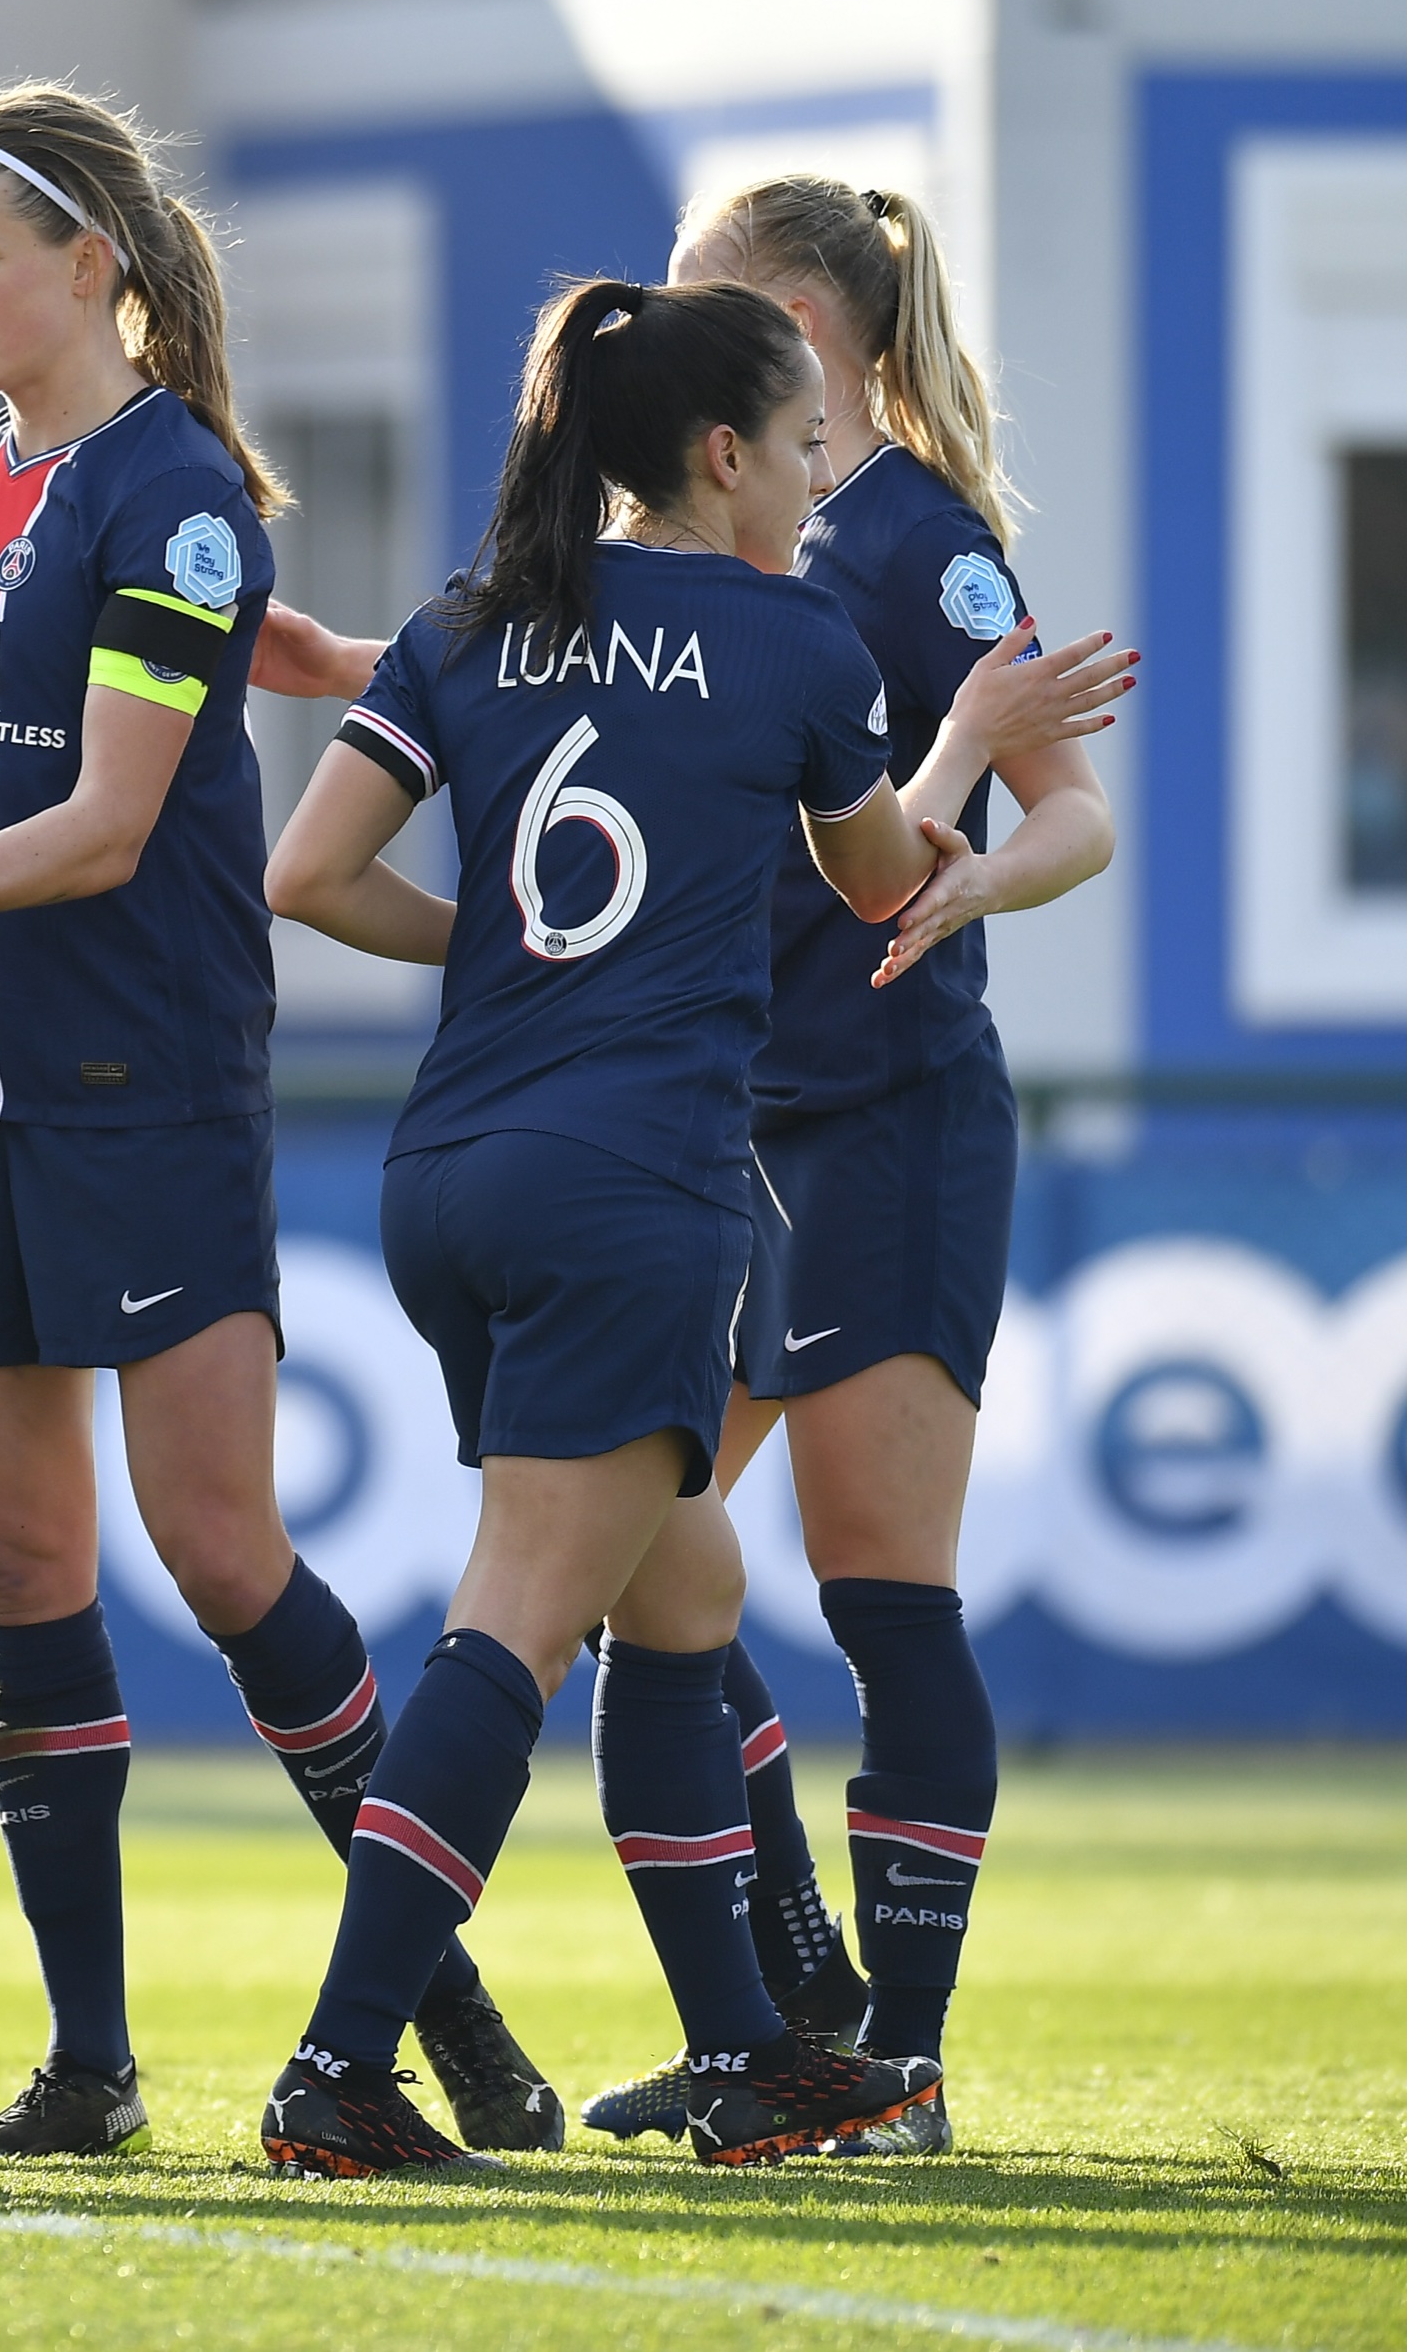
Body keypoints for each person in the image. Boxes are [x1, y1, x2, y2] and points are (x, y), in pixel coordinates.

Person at [0, 83, 563, 2157]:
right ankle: (87, 2068)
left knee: (220, 1548)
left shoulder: (171, 489)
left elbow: (96, 828)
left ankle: (432, 2008)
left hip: (135, 1083)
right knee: (23, 1570)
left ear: (90, 260)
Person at [251, 275, 950, 2173]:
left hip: (449, 1175)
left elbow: (307, 875)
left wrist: (498, 955)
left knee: (689, 1591)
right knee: (518, 1622)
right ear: (724, 457)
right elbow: (880, 876)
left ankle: (735, 2047)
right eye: (808, 445)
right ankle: (337, 2069)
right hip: (634, 1188)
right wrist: (959, 783)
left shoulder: (470, 620)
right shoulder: (796, 637)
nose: (819, 479)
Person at [572, 178, 1130, 2153]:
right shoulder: (703, 538)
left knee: (881, 1590)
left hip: (882, 1114)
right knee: (627, 1556)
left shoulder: (910, 540)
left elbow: (1072, 816)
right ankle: (776, 2008)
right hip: (714, 1126)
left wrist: (979, 846)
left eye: (706, 303)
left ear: (808, 326)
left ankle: (889, 2054)